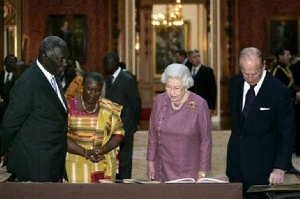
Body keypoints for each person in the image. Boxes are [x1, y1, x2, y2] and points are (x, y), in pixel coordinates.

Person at [0, 36, 100, 182]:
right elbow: (8, 125)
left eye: (66, 58)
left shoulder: (53, 76)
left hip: (52, 164)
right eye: (61, 60)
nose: (65, 63)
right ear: (44, 57)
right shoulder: (28, 83)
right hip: (34, 167)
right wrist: (5, 152)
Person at [226, 47, 295, 199]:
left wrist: (280, 167)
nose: (250, 78)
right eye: (245, 73)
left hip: (263, 166)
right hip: (235, 164)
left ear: (263, 65)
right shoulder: (234, 84)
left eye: (254, 72)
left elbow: (287, 132)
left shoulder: (279, 91)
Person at [147, 63, 212, 182]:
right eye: (168, 87)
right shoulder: (160, 101)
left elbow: (205, 140)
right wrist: (150, 162)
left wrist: (202, 172)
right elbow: (152, 134)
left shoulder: (199, 104)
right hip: (162, 167)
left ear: (186, 86)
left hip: (188, 169)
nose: (171, 92)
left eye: (177, 88)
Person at [66, 72, 124, 183]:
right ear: (82, 88)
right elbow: (61, 137)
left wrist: (102, 150)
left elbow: (119, 133)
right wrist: (85, 152)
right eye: (90, 89)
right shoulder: (69, 108)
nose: (93, 94)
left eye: (97, 90)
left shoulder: (109, 108)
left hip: (102, 163)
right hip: (76, 163)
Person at [103, 52, 141, 180]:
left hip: (126, 123)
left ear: (114, 63)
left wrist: (134, 122)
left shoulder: (127, 79)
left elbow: (135, 103)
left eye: (106, 64)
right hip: (111, 123)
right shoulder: (108, 79)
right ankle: (114, 176)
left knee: (125, 154)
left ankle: (125, 180)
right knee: (112, 152)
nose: (104, 67)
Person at [188, 49, 217, 114]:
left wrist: (211, 107)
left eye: (198, 56)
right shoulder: (187, 71)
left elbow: (213, 90)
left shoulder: (207, 71)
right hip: (190, 105)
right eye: (194, 57)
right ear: (190, 59)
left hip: (203, 105)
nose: (197, 59)